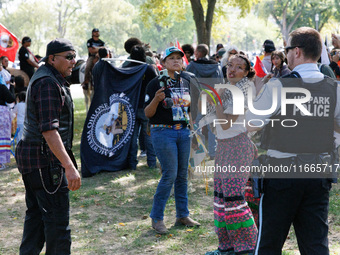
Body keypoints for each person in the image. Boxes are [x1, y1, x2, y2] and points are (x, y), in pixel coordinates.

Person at [246, 27, 339, 255]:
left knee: (268, 244)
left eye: (287, 49)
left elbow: (250, 124)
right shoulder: (334, 88)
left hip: (283, 174)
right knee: (316, 245)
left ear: (296, 51)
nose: (286, 54)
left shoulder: (278, 85)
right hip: (318, 173)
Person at [15, 38, 81, 255]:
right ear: (52, 59)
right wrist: (69, 166)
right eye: (69, 57)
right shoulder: (48, 83)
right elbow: (49, 130)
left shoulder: (49, 77)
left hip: (36, 158)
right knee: (57, 224)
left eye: (75, 56)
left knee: (36, 220)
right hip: (44, 162)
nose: (74, 61)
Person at [204, 54, 258, 255]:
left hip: (238, 148)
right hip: (224, 147)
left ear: (246, 72)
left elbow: (226, 123)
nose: (232, 69)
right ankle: (226, 247)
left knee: (234, 200)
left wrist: (215, 102)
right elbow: (217, 125)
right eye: (230, 65)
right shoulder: (229, 90)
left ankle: (248, 247)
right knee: (221, 198)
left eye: (238, 67)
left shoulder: (242, 91)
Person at [144, 46, 200, 234]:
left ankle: (182, 215)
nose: (176, 61)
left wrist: (193, 133)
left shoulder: (187, 81)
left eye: (179, 58)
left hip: (183, 131)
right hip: (163, 132)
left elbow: (190, 111)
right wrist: (156, 100)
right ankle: (157, 218)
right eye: (172, 58)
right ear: (164, 63)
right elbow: (147, 113)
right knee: (170, 174)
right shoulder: (155, 83)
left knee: (182, 174)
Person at [186, 44, 224, 160]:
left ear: (197, 53)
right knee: (212, 127)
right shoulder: (216, 66)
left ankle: (199, 152)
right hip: (212, 99)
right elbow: (221, 83)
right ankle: (213, 152)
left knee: (197, 125)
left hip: (197, 99)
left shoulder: (192, 66)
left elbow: (187, 81)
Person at [125, 45, 157, 169]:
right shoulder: (148, 69)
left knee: (132, 137)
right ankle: (152, 163)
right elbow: (156, 84)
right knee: (149, 135)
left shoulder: (126, 69)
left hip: (130, 107)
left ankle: (132, 163)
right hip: (147, 107)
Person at [0, 66, 15, 171]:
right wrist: (13, 87)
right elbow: (11, 99)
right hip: (2, 113)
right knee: (2, 137)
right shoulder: (2, 87)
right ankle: (1, 163)